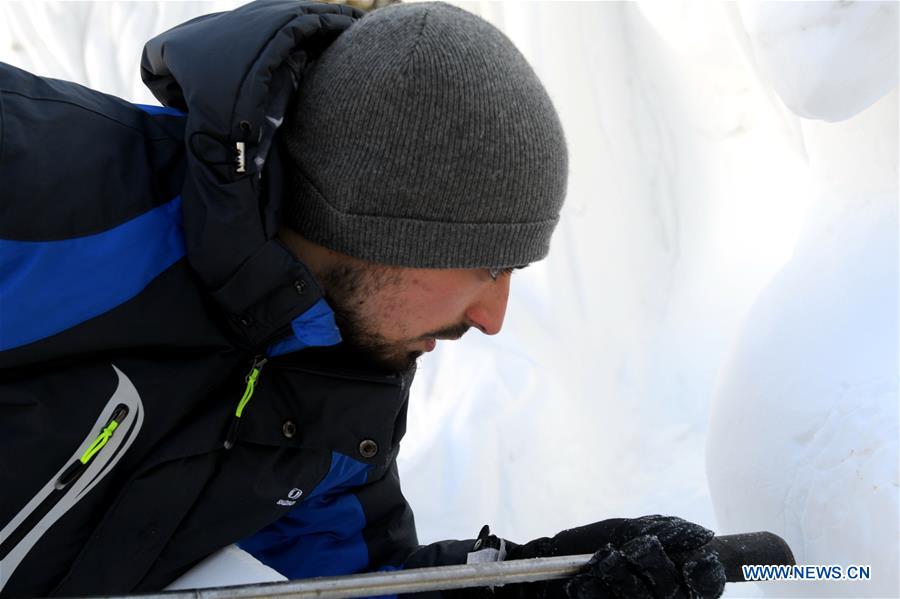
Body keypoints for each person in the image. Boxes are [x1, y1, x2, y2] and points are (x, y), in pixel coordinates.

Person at [0, 1, 726, 597]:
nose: (493, 316)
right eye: (487, 267)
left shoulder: (338, 402)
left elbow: (339, 589)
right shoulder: (46, 191)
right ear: (383, 226)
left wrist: (538, 585)